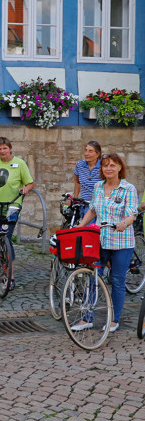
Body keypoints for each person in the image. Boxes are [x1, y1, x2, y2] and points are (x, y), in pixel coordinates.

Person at [75, 153, 138, 333]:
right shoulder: (98, 187)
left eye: (112, 165)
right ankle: (87, 317)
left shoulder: (128, 188)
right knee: (93, 276)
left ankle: (114, 319)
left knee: (117, 280)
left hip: (122, 242)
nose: (108, 168)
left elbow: (132, 213)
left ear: (119, 167)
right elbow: (92, 210)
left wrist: (124, 223)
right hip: (100, 240)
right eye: (105, 166)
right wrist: (80, 226)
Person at [0, 137, 34, 289]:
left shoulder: (20, 164)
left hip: (12, 207)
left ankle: (10, 275)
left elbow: (30, 183)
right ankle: (0, 271)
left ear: (10, 148)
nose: (2, 151)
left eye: (5, 148)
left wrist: (26, 189)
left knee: (7, 239)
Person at [72, 141, 103, 218]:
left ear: (98, 154)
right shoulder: (79, 165)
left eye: (90, 151)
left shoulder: (103, 166)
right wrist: (75, 198)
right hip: (84, 203)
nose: (86, 153)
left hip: (99, 205)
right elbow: (77, 181)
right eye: (85, 150)